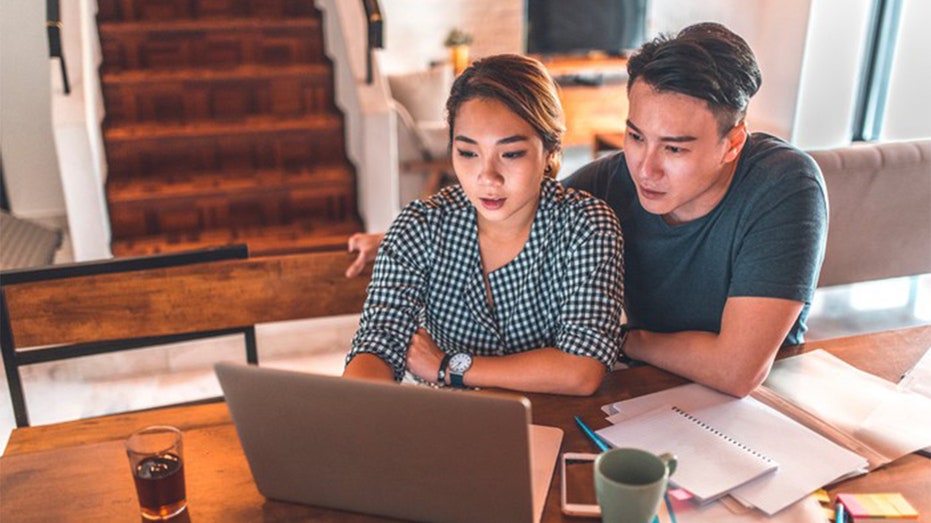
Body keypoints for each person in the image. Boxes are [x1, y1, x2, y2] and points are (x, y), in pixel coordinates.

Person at [345, 24, 828, 398]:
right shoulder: (610, 181)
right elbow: (513, 207)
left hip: (761, 404)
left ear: (732, 143)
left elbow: (736, 371)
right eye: (635, 136)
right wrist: (396, 240)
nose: (645, 168)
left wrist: (620, 341)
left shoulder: (783, 184)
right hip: (642, 393)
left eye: (675, 149)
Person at [343, 54, 625, 396]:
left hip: (556, 422)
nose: (487, 177)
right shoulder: (419, 227)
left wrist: (449, 366)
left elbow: (582, 369)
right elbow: (378, 343)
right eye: (467, 153)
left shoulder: (587, 227)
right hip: (452, 423)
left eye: (511, 154)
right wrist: (353, 410)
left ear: (550, 150)